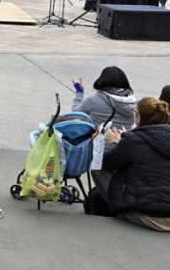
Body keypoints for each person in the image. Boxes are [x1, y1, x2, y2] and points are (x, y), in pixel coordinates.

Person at [90, 97, 170, 231]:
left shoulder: (132, 140)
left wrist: (103, 140)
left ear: (138, 117)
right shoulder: (134, 139)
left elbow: (101, 163)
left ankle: (118, 208)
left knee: (98, 169)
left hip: (148, 216)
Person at [72, 66, 137, 129]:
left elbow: (75, 114)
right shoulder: (133, 103)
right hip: (125, 138)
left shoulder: (92, 100)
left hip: (98, 138)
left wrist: (79, 91)